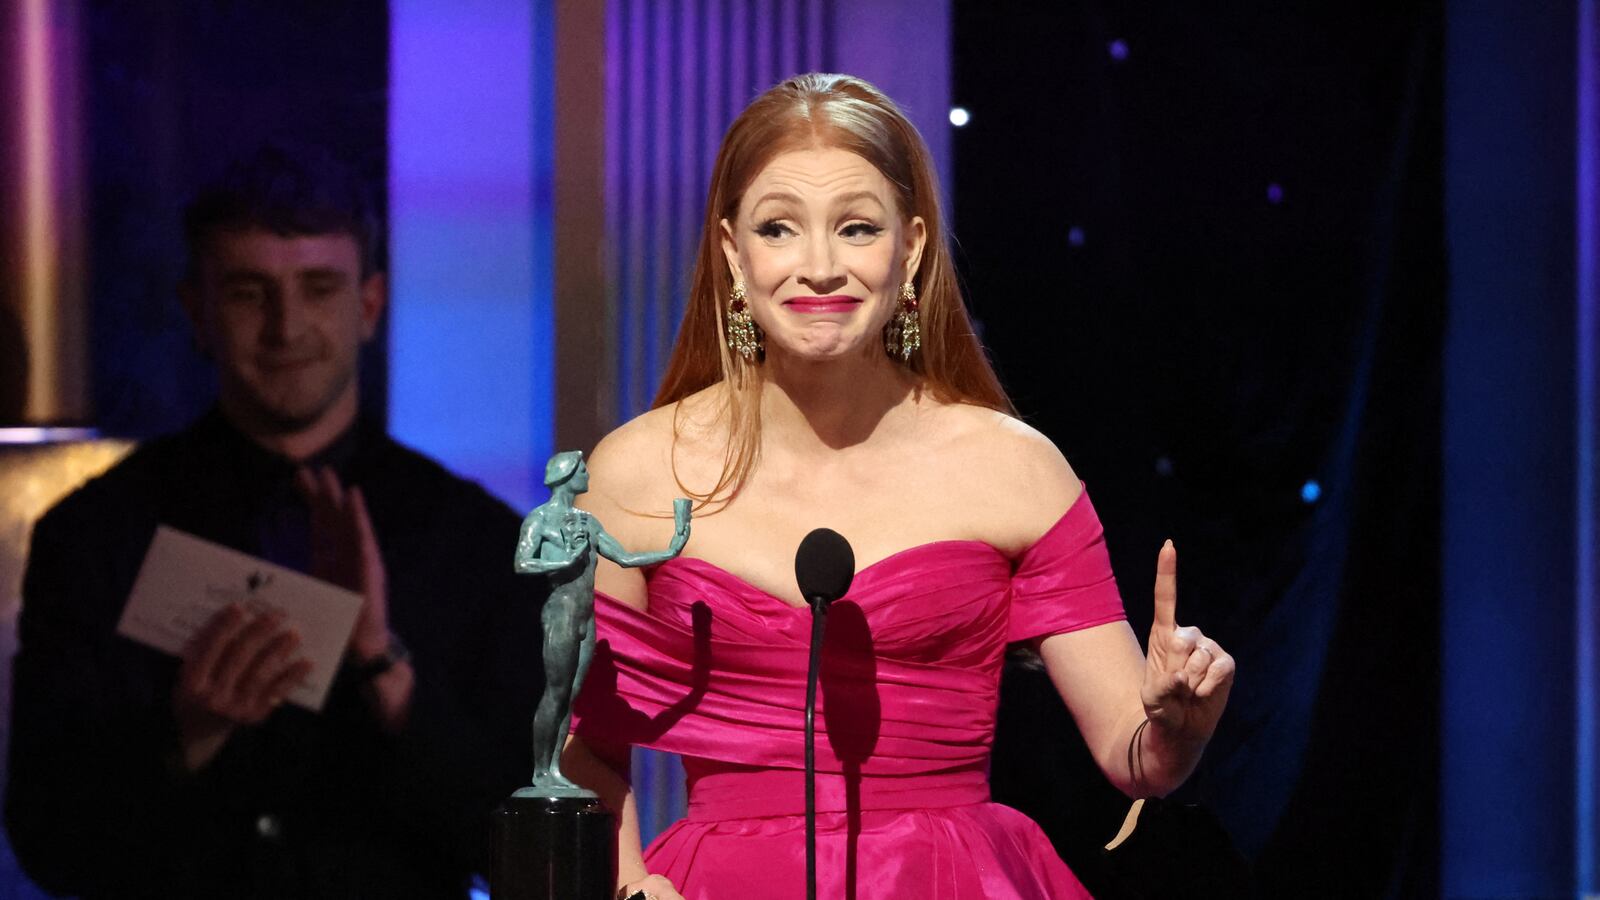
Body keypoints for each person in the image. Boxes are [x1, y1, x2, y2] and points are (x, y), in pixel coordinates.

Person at [562, 74, 1236, 900]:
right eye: (779, 228)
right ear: (734, 254)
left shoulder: (1015, 469)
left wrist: (1179, 727)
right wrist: (631, 888)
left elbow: (1137, 759)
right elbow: (583, 745)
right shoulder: (635, 473)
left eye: (856, 228)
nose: (818, 267)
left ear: (910, 249)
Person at [5, 144, 543, 899]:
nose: (286, 329)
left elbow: (538, 860)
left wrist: (387, 676)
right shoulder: (94, 533)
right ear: (197, 312)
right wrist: (187, 733)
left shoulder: (479, 543)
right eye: (250, 293)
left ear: (369, 306)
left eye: (318, 288)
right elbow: (47, 845)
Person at [512, 451, 690, 789]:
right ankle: (540, 771)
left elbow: (623, 557)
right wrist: (566, 561)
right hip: (561, 610)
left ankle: (554, 769)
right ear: (566, 476)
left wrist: (670, 549)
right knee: (556, 691)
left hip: (585, 614)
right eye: (582, 470)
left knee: (571, 694)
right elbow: (522, 563)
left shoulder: (587, 522)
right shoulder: (540, 520)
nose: (587, 476)